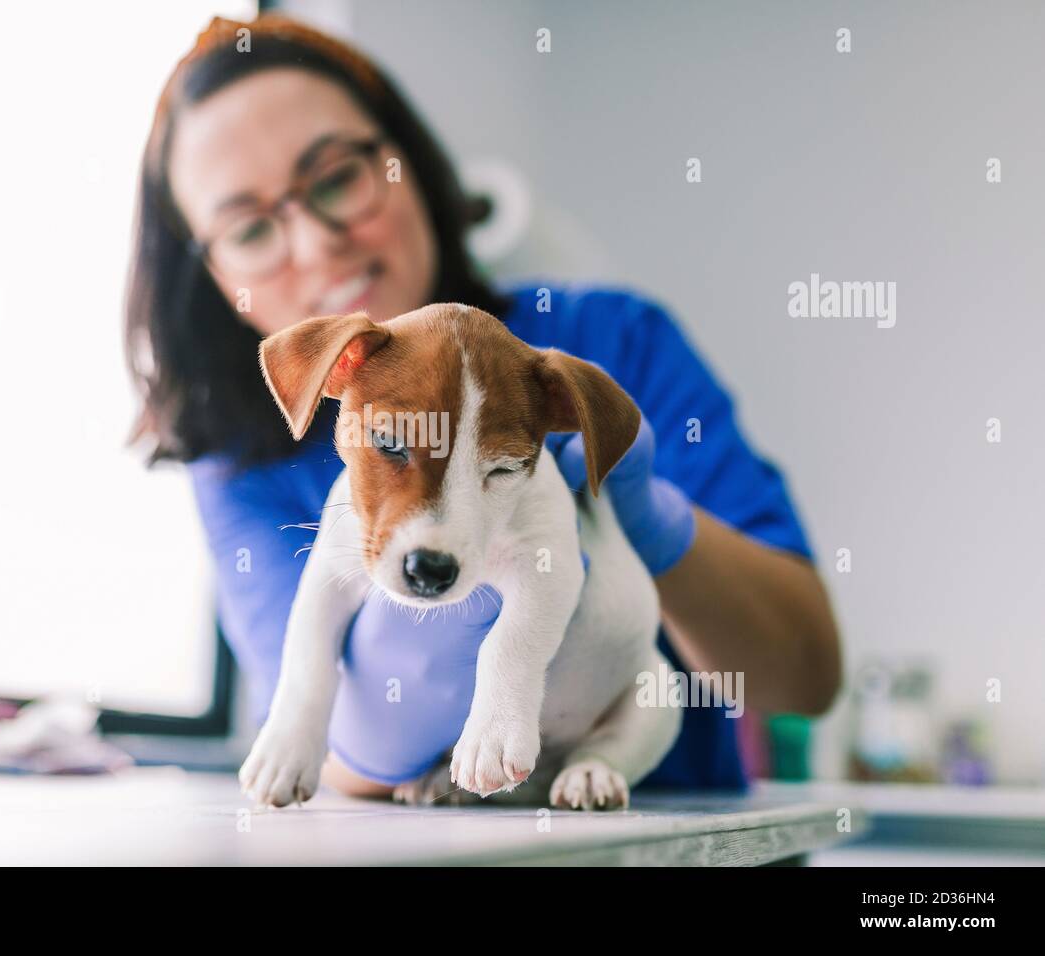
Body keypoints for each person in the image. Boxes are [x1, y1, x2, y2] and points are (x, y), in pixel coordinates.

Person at [124, 13, 841, 799]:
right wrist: (371, 712)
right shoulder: (238, 459)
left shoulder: (606, 342)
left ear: (409, 162)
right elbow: (326, 762)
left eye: (335, 178)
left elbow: (803, 680)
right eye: (250, 227)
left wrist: (657, 526)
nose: (316, 243)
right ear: (212, 276)